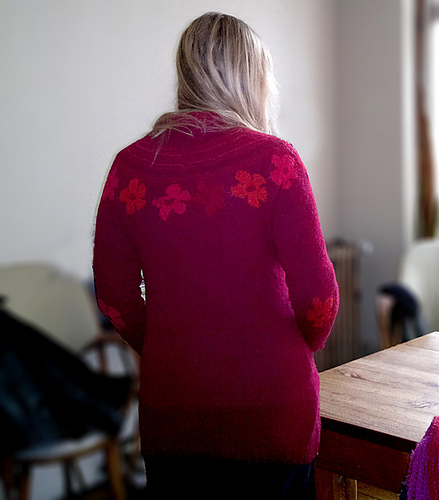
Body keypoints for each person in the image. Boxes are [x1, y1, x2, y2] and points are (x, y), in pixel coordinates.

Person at [93, 12, 339, 499]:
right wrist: (290, 348)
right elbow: (319, 299)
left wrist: (167, 344)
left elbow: (114, 298)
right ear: (252, 77)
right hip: (272, 408)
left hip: (174, 409)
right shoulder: (276, 162)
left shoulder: (130, 168)